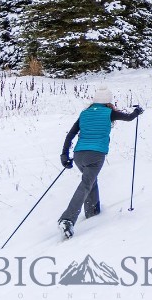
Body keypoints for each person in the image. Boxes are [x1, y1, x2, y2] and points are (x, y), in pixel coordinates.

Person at [57, 86, 143, 238]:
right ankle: (67, 219)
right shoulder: (110, 113)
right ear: (108, 102)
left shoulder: (84, 114)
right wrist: (138, 112)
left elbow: (70, 135)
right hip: (96, 155)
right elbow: (129, 118)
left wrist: (64, 155)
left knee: (90, 180)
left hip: (79, 155)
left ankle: (92, 212)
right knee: (86, 184)